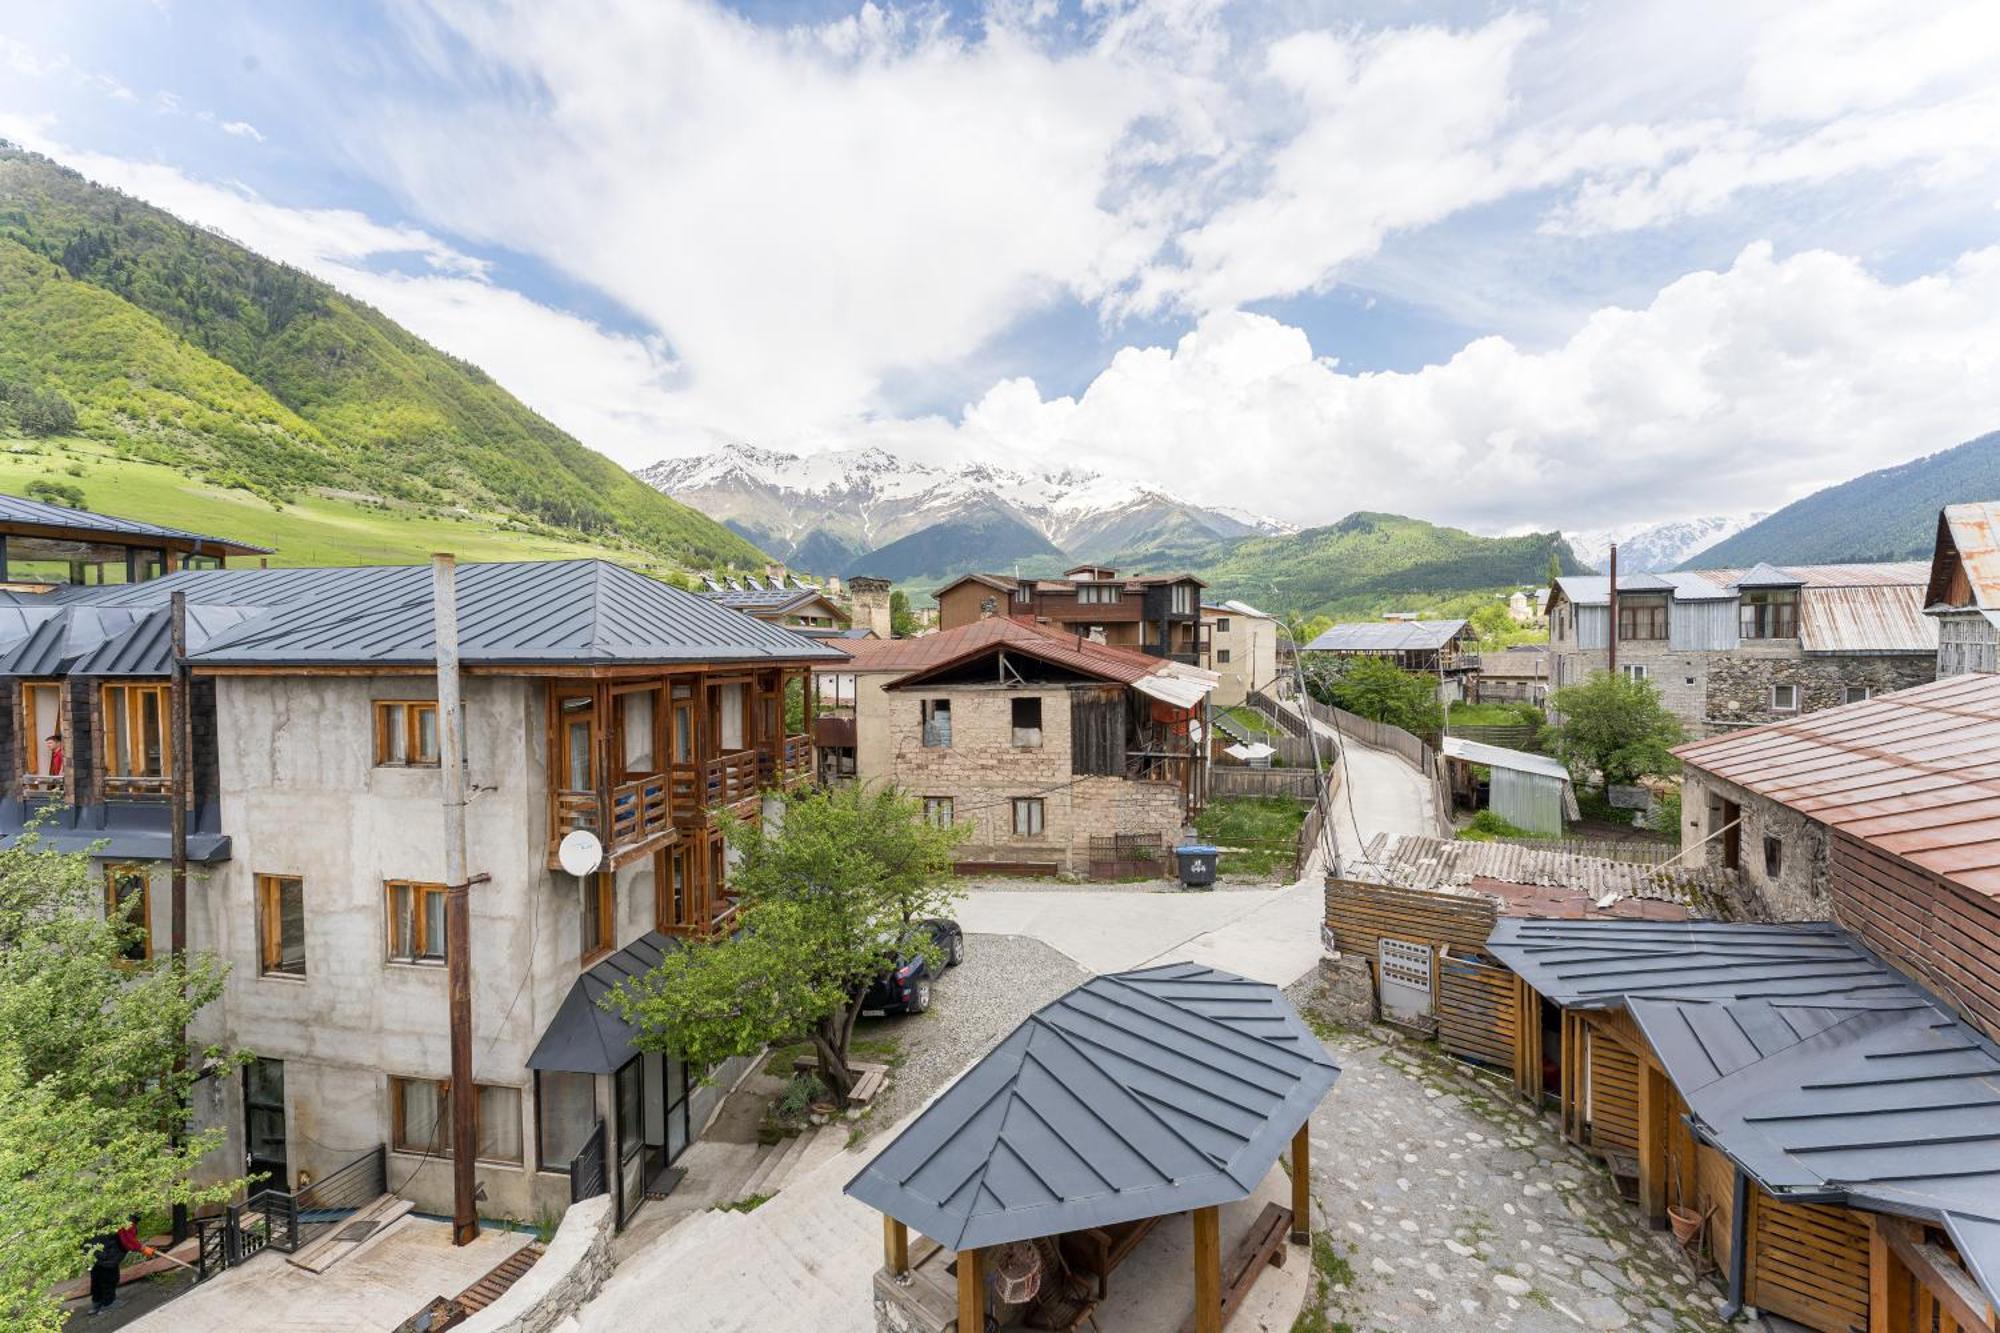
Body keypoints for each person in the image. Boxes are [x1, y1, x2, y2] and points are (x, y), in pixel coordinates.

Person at [86, 1215, 153, 1316]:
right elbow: (127, 1240)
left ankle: (97, 1303)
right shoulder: (127, 1219)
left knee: (96, 1277)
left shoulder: (110, 1214)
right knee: (110, 1278)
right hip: (107, 1253)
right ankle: (108, 1303)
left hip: (92, 1250)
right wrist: (142, 1248)